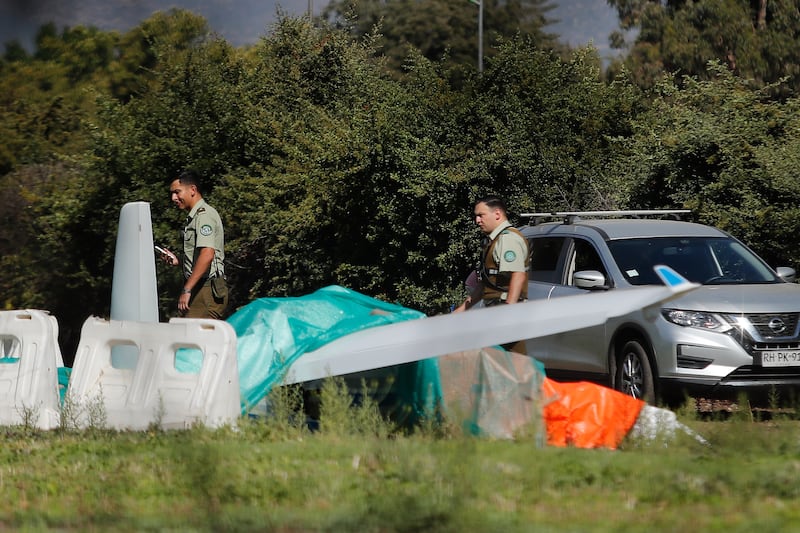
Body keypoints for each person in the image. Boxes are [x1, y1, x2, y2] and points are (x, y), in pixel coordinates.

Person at [454, 195, 529, 353]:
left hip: (505, 312)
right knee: (502, 365)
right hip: (496, 312)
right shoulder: (492, 241)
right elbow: (487, 284)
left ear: (497, 214)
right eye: (476, 216)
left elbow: (518, 275)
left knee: (514, 365)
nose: (477, 220)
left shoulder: (507, 240)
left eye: (481, 215)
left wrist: (509, 310)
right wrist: (461, 310)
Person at [158, 170, 228, 319]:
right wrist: (179, 261)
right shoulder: (194, 217)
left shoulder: (204, 216)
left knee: (194, 340)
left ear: (193, 190)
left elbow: (208, 254)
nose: (173, 198)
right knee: (189, 338)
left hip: (206, 289)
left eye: (177, 192)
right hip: (200, 288)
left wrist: (187, 289)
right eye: (172, 194)